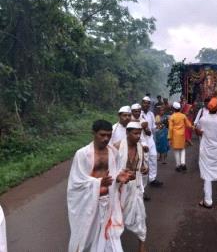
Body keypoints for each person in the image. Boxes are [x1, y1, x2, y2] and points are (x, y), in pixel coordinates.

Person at [67, 120, 133, 252]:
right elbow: (75, 184)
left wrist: (119, 178)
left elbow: (116, 174)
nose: (106, 138)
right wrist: (98, 183)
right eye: (102, 135)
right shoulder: (82, 154)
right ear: (93, 133)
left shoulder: (114, 152)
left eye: (109, 135)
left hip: (109, 202)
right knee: (86, 240)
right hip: (89, 205)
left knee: (112, 241)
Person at [117, 122, 148, 252]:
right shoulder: (117, 146)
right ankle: (114, 246)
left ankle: (142, 246)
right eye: (135, 133)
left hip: (135, 188)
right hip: (120, 188)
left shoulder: (140, 147)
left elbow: (142, 166)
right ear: (127, 133)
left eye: (139, 133)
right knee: (116, 218)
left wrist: (145, 168)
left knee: (140, 217)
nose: (138, 136)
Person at [196, 97, 217, 208]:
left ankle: (208, 201)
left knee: (207, 175)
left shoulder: (203, 119)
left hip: (206, 150)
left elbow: (198, 130)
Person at [141, 96, 163, 187]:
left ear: (150, 105)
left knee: (153, 157)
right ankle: (142, 183)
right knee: (144, 160)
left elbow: (153, 127)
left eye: (148, 103)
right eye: (144, 102)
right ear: (142, 103)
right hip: (141, 139)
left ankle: (152, 178)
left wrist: (159, 127)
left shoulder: (151, 114)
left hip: (150, 139)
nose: (146, 104)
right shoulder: (138, 113)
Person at [168, 102, 193, 172]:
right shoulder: (183, 116)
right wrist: (193, 127)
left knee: (176, 150)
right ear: (179, 108)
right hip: (182, 135)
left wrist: (169, 138)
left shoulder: (172, 117)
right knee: (182, 149)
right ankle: (183, 163)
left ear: (173, 108)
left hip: (175, 136)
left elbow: (170, 128)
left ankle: (178, 165)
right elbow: (188, 125)